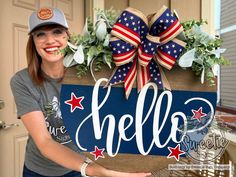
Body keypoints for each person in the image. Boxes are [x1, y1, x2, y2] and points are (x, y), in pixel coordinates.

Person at [10, 7, 151, 177]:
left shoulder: (88, 73)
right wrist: (93, 170)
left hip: (79, 165)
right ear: (33, 41)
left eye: (57, 32)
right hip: (39, 169)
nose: (50, 40)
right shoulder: (22, 80)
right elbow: (44, 141)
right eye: (40, 34)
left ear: (67, 36)